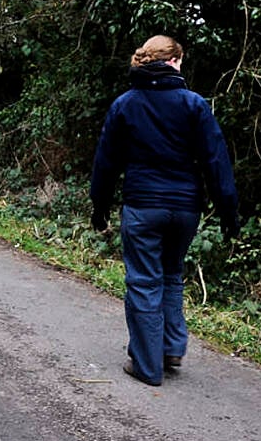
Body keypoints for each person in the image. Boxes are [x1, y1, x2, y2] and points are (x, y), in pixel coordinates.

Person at [90, 35, 239, 386]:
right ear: (175, 61)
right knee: (171, 275)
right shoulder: (194, 104)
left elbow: (106, 163)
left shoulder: (126, 104)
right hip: (185, 208)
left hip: (143, 206)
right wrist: (229, 213)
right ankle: (171, 348)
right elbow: (216, 162)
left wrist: (101, 207)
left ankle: (146, 364)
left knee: (143, 281)